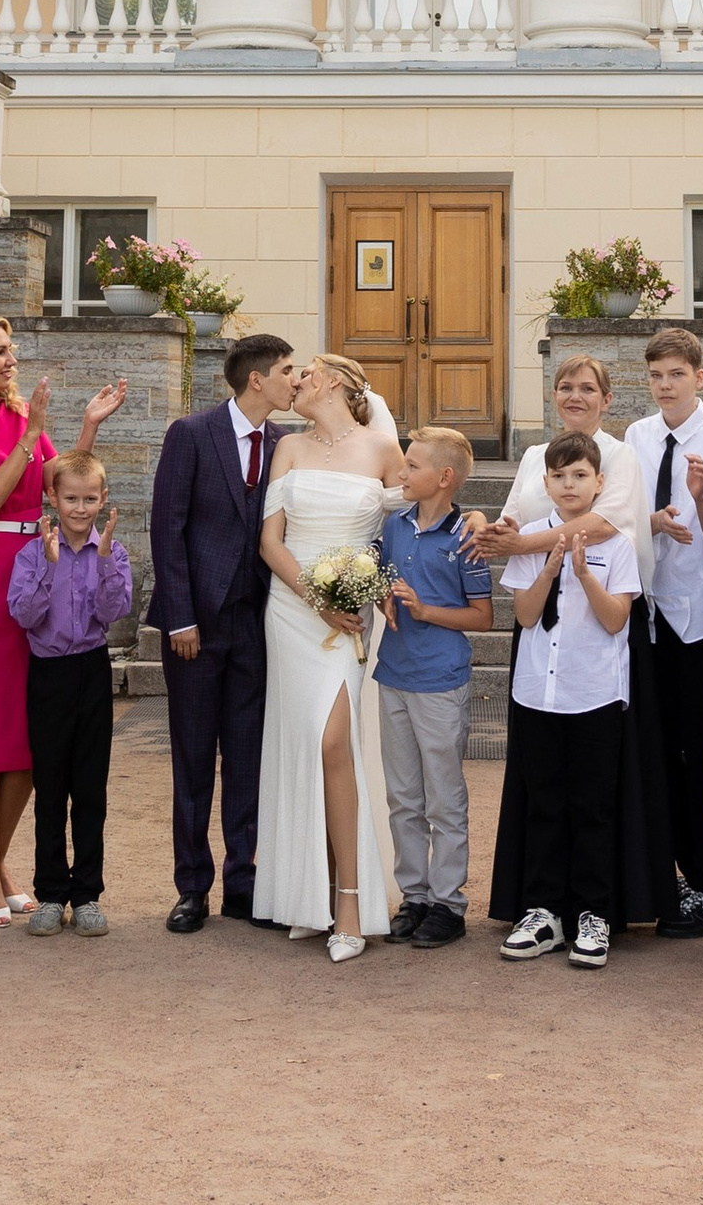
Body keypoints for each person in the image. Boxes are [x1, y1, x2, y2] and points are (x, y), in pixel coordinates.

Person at [0, 313, 126, 925]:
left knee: (30, 739)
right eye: (0, 352)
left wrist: (85, 428)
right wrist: (28, 434)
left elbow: (60, 485)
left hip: (39, 573)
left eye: (12, 351)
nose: (11, 361)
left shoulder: (19, 419)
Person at [476, 354, 677, 933]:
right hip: (542, 625)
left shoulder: (620, 457)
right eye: (565, 387)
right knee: (543, 780)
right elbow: (514, 521)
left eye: (588, 388)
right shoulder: (537, 457)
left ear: (607, 399)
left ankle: (604, 904)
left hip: (604, 616)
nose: (575, 396)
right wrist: (491, 528)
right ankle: (539, 902)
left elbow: (604, 526)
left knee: (602, 779)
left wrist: (526, 548)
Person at [148, 332, 299, 933]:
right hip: (196, 626)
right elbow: (168, 527)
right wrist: (180, 615)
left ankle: (243, 882)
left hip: (258, 622)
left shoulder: (286, 443)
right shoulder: (191, 434)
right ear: (257, 379)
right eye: (289, 370)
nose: (297, 380)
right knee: (191, 758)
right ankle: (191, 888)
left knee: (246, 757)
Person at [256, 352, 405, 960]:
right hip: (294, 609)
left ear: (339, 381)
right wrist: (314, 596)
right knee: (304, 749)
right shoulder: (287, 448)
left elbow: (417, 518)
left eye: (306, 373)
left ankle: (350, 900)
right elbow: (270, 541)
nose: (296, 382)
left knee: (334, 743)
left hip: (348, 614)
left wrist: (381, 588)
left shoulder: (381, 449)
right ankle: (310, 896)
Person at [493, 432, 642, 969]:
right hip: (538, 693)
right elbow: (528, 616)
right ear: (546, 483)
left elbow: (615, 620)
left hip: (593, 695)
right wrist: (552, 568)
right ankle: (543, 912)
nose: (568, 484)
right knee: (544, 805)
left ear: (599, 482)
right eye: (558, 476)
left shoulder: (615, 544)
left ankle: (593, 915)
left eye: (579, 475)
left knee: (592, 808)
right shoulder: (529, 540)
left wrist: (584, 575)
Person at [622, 327, 703, 939]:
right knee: (658, 749)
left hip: (702, 615)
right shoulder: (636, 437)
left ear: (699, 377)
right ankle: (672, 880)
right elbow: (619, 513)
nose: (665, 385)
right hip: (647, 610)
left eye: (676, 374)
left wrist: (693, 503)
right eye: (656, 376)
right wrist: (651, 520)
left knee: (701, 753)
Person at [375, 424, 494, 949]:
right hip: (392, 675)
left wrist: (426, 612)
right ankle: (414, 896)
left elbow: (483, 617)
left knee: (444, 798)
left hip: (440, 681)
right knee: (402, 796)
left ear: (444, 478)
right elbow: (382, 576)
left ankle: (449, 904)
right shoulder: (395, 526)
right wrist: (385, 598)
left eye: (414, 465)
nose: (402, 472)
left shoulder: (467, 537)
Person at [7, 448, 133, 938]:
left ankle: (87, 894)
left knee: (90, 787)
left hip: (91, 671)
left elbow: (114, 611)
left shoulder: (113, 552)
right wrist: (50, 566)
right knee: (51, 786)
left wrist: (102, 562)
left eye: (89, 499)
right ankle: (51, 891)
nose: (80, 509)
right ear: (52, 498)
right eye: (70, 499)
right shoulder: (33, 552)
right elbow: (24, 614)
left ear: (102, 500)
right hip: (48, 673)